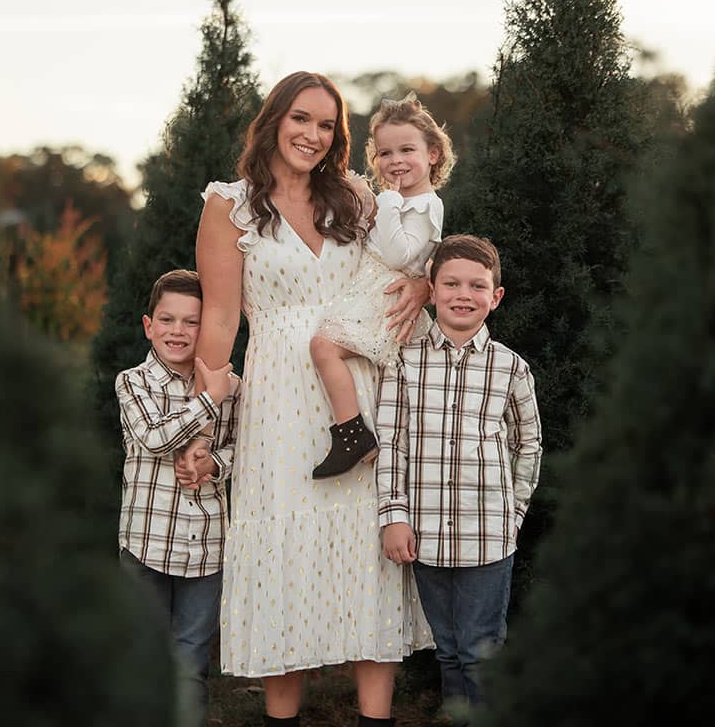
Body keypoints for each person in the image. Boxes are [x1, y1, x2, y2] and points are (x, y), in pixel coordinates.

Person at [191, 71, 433, 727]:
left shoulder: (356, 196)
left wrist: (425, 285)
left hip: (357, 390)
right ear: (274, 121)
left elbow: (410, 254)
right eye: (301, 119)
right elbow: (219, 323)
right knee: (283, 555)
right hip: (276, 401)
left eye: (327, 126)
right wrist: (201, 426)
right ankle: (283, 718)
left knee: (365, 545)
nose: (312, 135)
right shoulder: (230, 206)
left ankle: (375, 716)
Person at [374, 235, 543, 726]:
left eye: (476, 285)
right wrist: (394, 517)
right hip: (423, 538)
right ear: (432, 289)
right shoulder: (404, 362)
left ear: (496, 296)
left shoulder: (510, 368)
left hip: (487, 540)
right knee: (447, 651)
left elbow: (527, 445)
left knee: (480, 653)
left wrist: (512, 517)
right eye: (451, 284)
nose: (462, 294)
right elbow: (393, 444)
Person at [115, 269, 240, 727]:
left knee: (190, 664)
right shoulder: (133, 383)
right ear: (149, 325)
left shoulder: (234, 389)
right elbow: (154, 437)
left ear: (207, 328)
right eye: (168, 320)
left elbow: (243, 449)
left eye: (192, 322)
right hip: (146, 545)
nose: (178, 331)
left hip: (206, 549)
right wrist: (209, 400)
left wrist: (214, 464)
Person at [309, 92, 455, 479]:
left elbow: (400, 256)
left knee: (323, 347)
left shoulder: (425, 205)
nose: (396, 161)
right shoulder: (401, 200)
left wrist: (386, 203)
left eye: (407, 149)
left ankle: (352, 433)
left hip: (386, 294)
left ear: (433, 154)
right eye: (386, 153)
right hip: (372, 288)